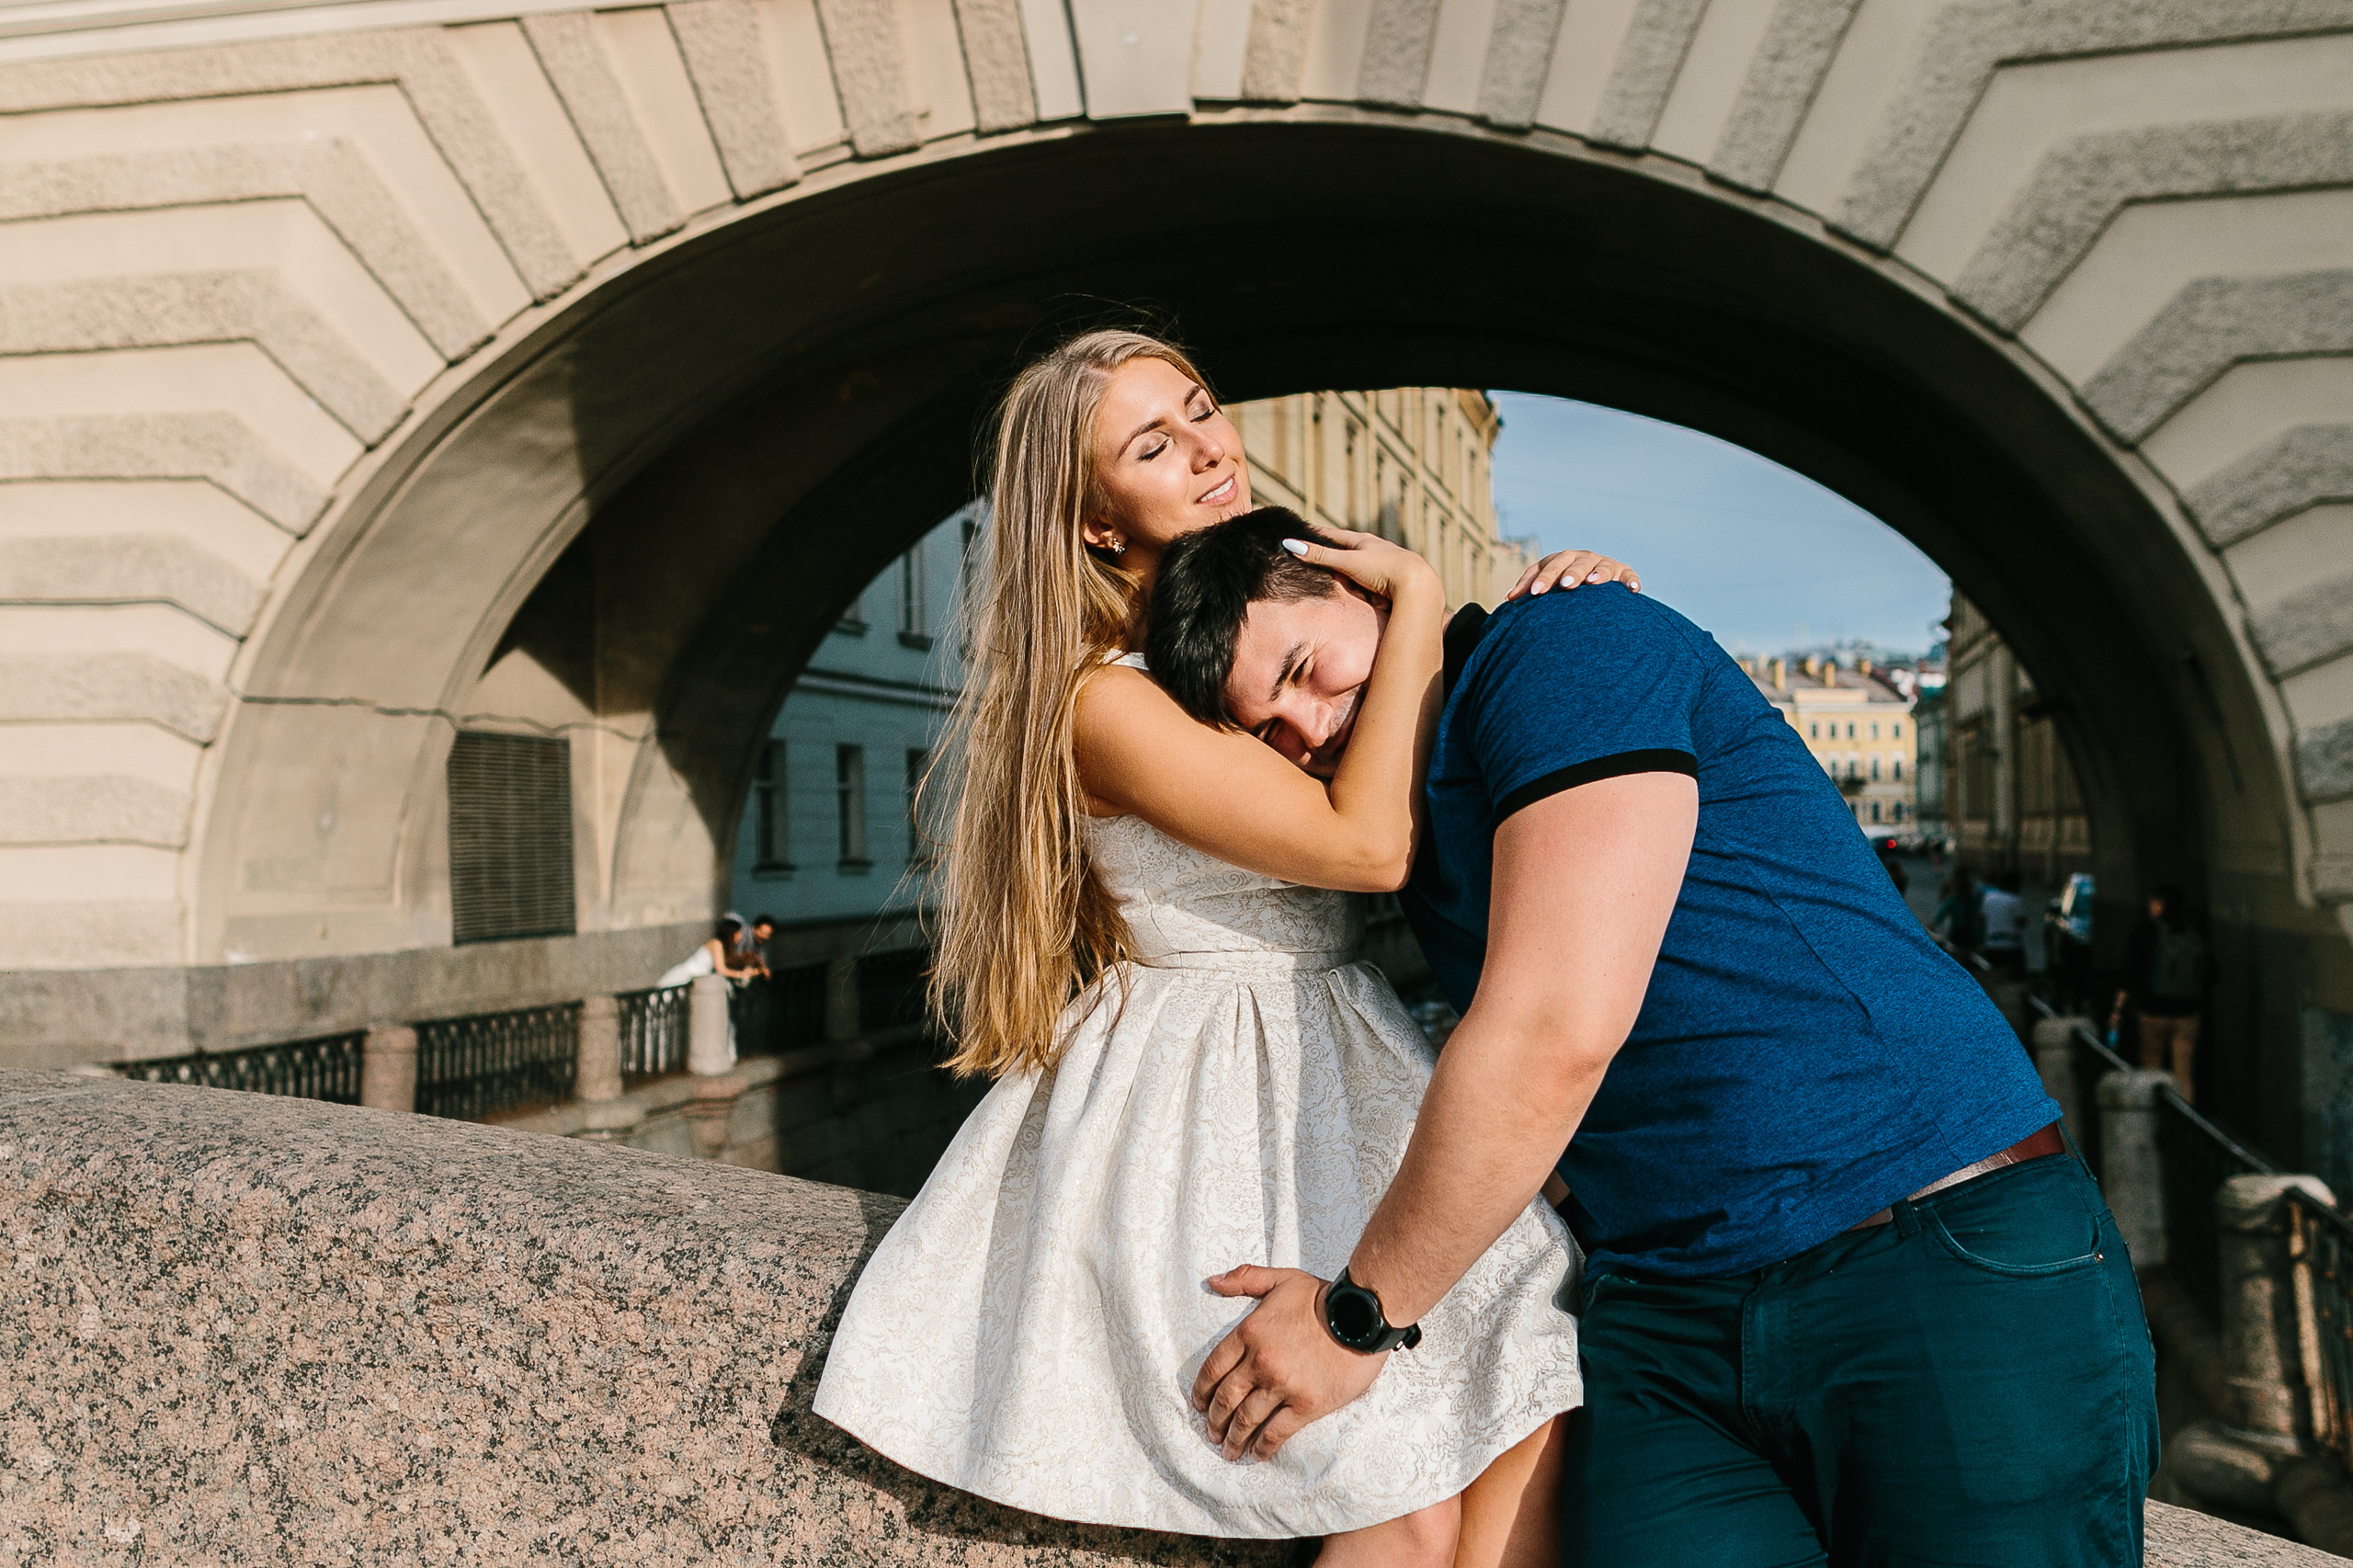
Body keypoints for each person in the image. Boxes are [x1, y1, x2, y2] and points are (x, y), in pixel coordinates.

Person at [1147, 511, 2158, 1565]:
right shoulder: (1393, 825)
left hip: (1920, 1251)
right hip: (1665, 1316)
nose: (1308, 729)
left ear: (1370, 597)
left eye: (1307, 669)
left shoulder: (1561, 648)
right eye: (1269, 731)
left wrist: (1356, 1317)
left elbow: (1554, 1027)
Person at [813, 330, 1632, 1565]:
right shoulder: (1105, 697)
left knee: (1527, 1388)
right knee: (1391, 1491)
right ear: (1093, 522)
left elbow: (1409, 732)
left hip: (1338, 1058)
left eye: (1200, 410)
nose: (1208, 448)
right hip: (1217, 1098)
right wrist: (1413, 589)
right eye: (1154, 443)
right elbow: (1367, 846)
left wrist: (1537, 607)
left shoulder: (1231, 642)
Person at [2113, 883, 2211, 1104]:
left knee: (2152, 1067)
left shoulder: (2145, 931)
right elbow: (2210, 972)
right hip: (2188, 1013)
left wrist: (2118, 1008)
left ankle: (2153, 1121)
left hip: (2153, 1010)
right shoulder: (2193, 932)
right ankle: (2185, 1123)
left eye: (2153, 901)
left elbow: (2130, 971)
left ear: (2159, 904)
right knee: (2184, 1074)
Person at [1979, 868, 2027, 977]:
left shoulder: (1988, 897)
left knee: (1994, 976)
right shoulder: (2015, 900)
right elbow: (2021, 921)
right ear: (2012, 884)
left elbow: (1981, 919)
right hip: (2011, 945)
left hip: (1992, 944)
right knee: (2017, 978)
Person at [1931, 863, 1983, 960]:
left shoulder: (1952, 891)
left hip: (1956, 926)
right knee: (1969, 950)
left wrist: (1934, 923)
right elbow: (1979, 914)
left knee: (1954, 949)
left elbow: (1942, 907)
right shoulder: (1973, 896)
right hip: (1970, 929)